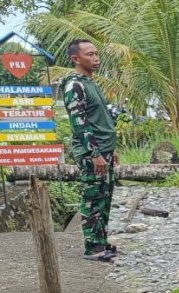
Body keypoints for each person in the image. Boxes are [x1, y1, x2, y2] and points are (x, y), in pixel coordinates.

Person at [62, 39, 118, 262]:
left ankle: (101, 241)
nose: (96, 58)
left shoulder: (90, 83)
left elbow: (101, 119)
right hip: (91, 153)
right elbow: (80, 123)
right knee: (93, 199)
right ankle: (92, 248)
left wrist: (110, 149)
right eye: (89, 54)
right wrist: (94, 153)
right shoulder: (74, 85)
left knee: (104, 197)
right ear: (75, 58)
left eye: (96, 53)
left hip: (104, 150)